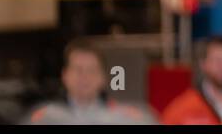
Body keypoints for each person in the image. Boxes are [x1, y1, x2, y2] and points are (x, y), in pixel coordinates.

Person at [26, 41, 155, 124]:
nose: (85, 76)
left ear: (103, 77)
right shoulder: (43, 118)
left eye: (92, 70)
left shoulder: (129, 118)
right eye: (78, 69)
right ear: (64, 75)